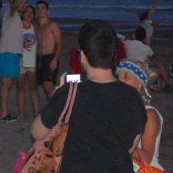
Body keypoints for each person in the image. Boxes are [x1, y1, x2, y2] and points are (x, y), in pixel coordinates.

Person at [31, 20, 147, 173]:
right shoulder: (133, 96)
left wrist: (56, 96)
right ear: (114, 56)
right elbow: (131, 146)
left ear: (83, 56)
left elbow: (37, 132)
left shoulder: (69, 92)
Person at [116, 61, 165, 170]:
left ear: (139, 84)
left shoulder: (149, 115)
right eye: (118, 77)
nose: (120, 81)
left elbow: (147, 158)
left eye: (126, 77)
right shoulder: (119, 112)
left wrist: (118, 141)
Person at [0, 0, 33, 122]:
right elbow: (14, 6)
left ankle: (4, 112)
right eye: (23, 2)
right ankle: (3, 113)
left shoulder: (16, 18)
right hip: (8, 53)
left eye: (25, 2)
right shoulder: (10, 13)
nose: (25, 4)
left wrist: (23, 45)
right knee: (7, 84)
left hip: (11, 54)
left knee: (8, 84)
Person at [35, 0, 61, 98]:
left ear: (47, 11)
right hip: (39, 58)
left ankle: (55, 109)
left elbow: (59, 44)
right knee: (42, 86)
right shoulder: (36, 26)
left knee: (48, 86)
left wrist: (54, 59)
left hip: (50, 57)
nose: (40, 10)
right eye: (38, 8)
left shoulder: (52, 25)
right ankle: (51, 108)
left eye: (43, 8)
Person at [17, 5, 39, 118]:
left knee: (33, 88)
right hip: (20, 63)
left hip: (33, 64)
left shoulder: (35, 28)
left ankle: (36, 113)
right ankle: (21, 113)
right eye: (27, 11)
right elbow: (11, 43)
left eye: (32, 12)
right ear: (22, 13)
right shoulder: (17, 27)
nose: (29, 14)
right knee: (20, 89)